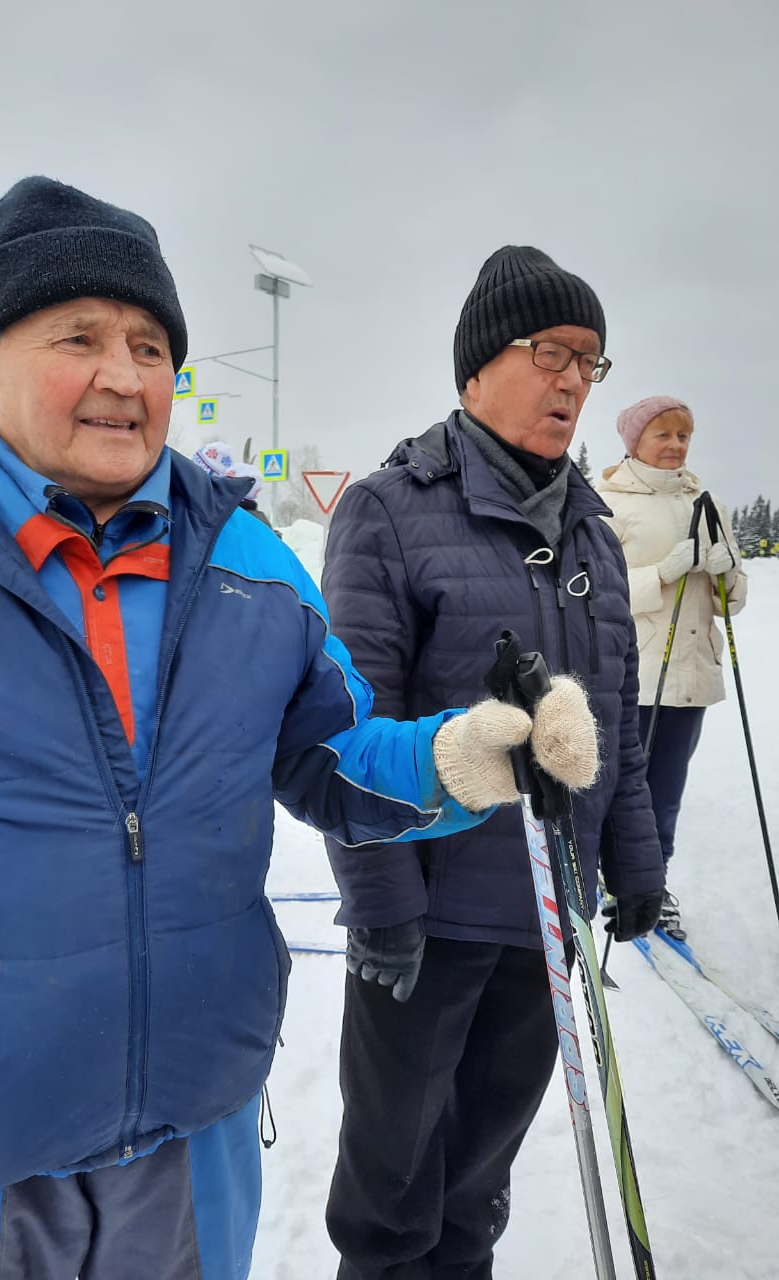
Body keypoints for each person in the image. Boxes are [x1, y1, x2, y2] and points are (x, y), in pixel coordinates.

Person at [0, 183, 599, 1280]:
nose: (124, 376)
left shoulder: (248, 569)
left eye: (149, 345)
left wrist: (467, 754)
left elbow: (333, 755)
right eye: (78, 336)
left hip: (191, 1126)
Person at [320, 245, 666, 1280]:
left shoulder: (596, 536)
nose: (571, 379)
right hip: (430, 917)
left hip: (545, 915)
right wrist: (380, 895)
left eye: (589, 362)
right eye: (550, 351)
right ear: (477, 367)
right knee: (392, 1198)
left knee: (476, 1190)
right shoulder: (390, 510)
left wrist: (637, 861)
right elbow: (349, 721)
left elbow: (619, 723)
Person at [597, 395, 747, 937]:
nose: (676, 445)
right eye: (664, 434)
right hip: (632, 672)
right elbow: (596, 593)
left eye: (684, 436)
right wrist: (662, 572)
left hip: (690, 673)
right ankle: (613, 877)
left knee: (666, 790)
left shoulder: (707, 503)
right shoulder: (607, 501)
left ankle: (651, 887)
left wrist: (728, 574)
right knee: (618, 786)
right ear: (634, 440)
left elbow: (733, 601)